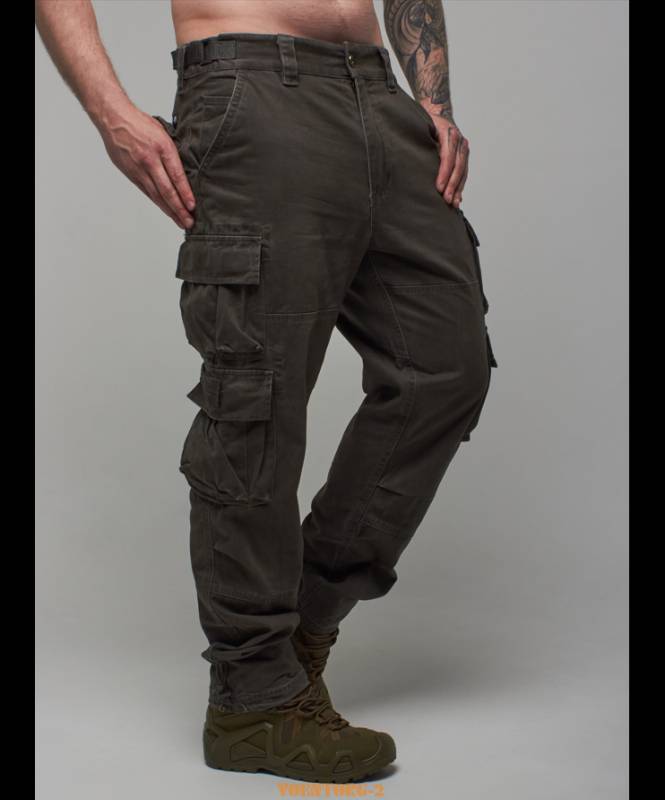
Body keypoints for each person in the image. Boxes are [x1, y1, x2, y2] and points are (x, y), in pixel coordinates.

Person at [36, 0, 497, 783]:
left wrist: (433, 103)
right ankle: (251, 700)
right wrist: (110, 112)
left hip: (378, 94)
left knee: (445, 369)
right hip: (250, 90)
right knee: (256, 400)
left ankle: (303, 623)